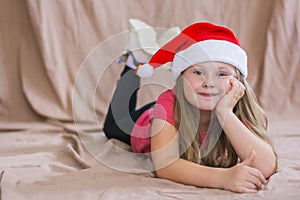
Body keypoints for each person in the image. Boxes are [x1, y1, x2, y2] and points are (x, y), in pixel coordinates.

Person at [103, 22, 278, 193]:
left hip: (184, 101)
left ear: (238, 83)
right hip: (153, 119)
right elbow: (165, 165)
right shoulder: (168, 105)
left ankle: (174, 52)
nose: (209, 83)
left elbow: (266, 166)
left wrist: (226, 114)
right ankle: (135, 62)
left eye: (222, 74)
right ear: (181, 78)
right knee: (113, 126)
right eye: (198, 72)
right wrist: (223, 178)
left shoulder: (238, 108)